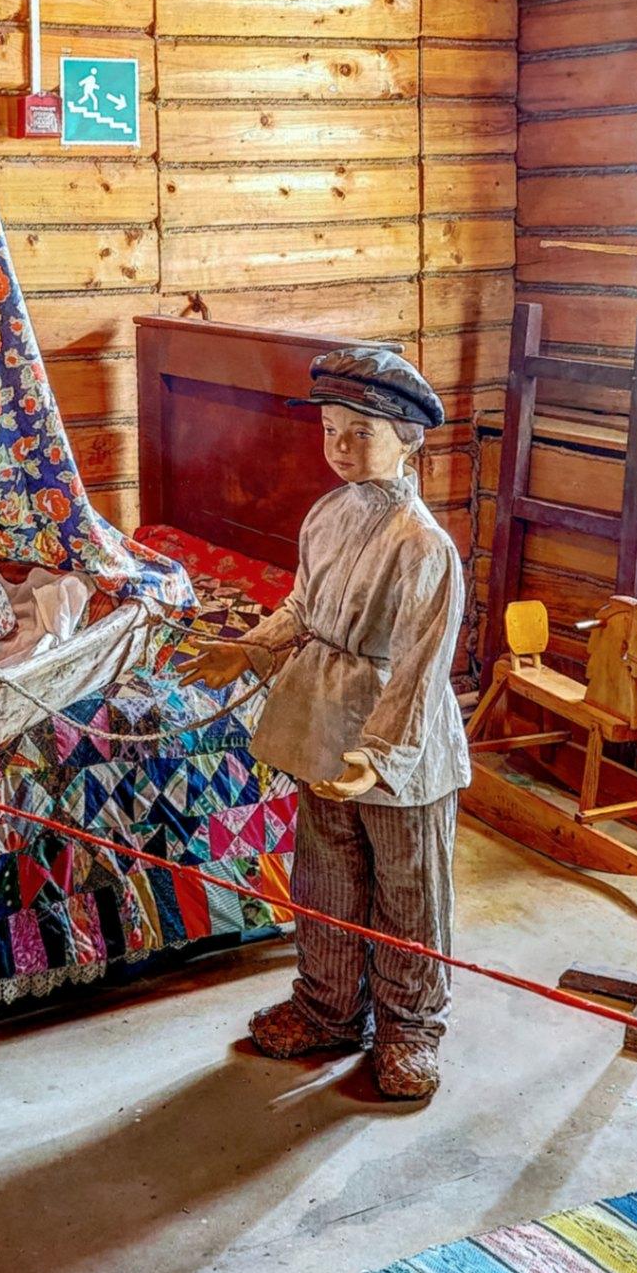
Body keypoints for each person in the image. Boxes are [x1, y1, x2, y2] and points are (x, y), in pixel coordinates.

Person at [180, 345, 468, 1102]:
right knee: (326, 877)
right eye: (330, 430)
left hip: (398, 740)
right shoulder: (327, 516)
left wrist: (381, 754)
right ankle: (329, 1007)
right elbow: (304, 608)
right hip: (323, 720)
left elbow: (420, 668)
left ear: (408, 440)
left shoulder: (424, 547)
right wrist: (252, 648)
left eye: (360, 433)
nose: (339, 448)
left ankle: (410, 1027)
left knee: (407, 889)